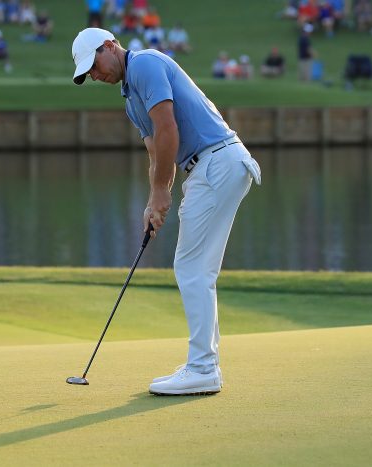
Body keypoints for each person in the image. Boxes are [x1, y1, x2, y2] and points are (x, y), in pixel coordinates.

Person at [70, 28, 261, 396]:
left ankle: (203, 368)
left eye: (93, 65)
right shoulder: (130, 100)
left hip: (217, 161)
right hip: (215, 166)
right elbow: (156, 151)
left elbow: (168, 127)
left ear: (110, 46)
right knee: (198, 269)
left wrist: (162, 191)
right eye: (88, 74)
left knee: (191, 269)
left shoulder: (145, 64)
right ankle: (205, 364)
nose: (95, 75)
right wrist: (153, 202)